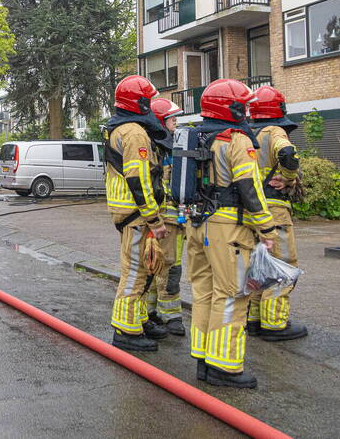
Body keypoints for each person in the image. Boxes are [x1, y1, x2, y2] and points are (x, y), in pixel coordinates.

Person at [184, 79, 277, 389]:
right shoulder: (236, 140)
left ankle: (203, 359)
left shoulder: (194, 136)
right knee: (233, 294)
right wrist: (267, 227)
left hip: (197, 223)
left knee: (204, 292)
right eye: (244, 106)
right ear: (232, 108)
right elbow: (250, 188)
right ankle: (224, 367)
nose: (247, 111)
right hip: (228, 229)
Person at [103, 75, 172, 353]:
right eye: (149, 100)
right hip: (136, 214)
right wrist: (154, 219)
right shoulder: (134, 133)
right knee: (135, 271)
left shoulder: (121, 129)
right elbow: (139, 178)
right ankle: (126, 330)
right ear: (140, 102)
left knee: (144, 269)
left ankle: (138, 320)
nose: (152, 105)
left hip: (131, 212)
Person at [246, 86, 308, 342]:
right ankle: (275, 324)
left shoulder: (249, 133)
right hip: (275, 210)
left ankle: (255, 319)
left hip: (253, 208)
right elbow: (288, 153)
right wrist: (291, 178)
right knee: (282, 264)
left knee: (259, 265)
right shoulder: (275, 131)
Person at [145, 97, 187, 337]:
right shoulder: (158, 150)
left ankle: (150, 312)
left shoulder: (168, 147)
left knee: (156, 266)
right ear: (161, 122)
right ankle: (171, 317)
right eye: (172, 119)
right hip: (165, 220)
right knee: (168, 268)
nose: (176, 123)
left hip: (170, 220)